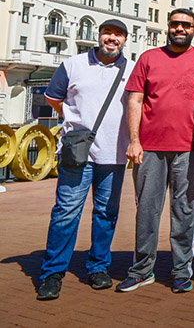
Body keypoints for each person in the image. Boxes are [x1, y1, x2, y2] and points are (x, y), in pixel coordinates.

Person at [36, 20, 133, 300]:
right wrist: (74, 119)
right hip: (77, 152)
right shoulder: (73, 64)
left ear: (124, 40)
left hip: (114, 153)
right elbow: (53, 98)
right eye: (107, 33)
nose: (112, 38)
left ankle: (98, 267)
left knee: (106, 213)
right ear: (99, 36)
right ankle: (52, 273)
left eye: (118, 34)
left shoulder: (131, 69)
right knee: (66, 212)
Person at [116, 9, 194, 294]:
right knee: (147, 210)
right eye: (175, 24)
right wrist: (134, 140)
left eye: (186, 25)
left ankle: (181, 271)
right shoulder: (148, 58)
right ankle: (142, 270)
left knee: (185, 212)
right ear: (168, 26)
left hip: (189, 148)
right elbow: (134, 100)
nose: (180, 28)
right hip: (150, 148)